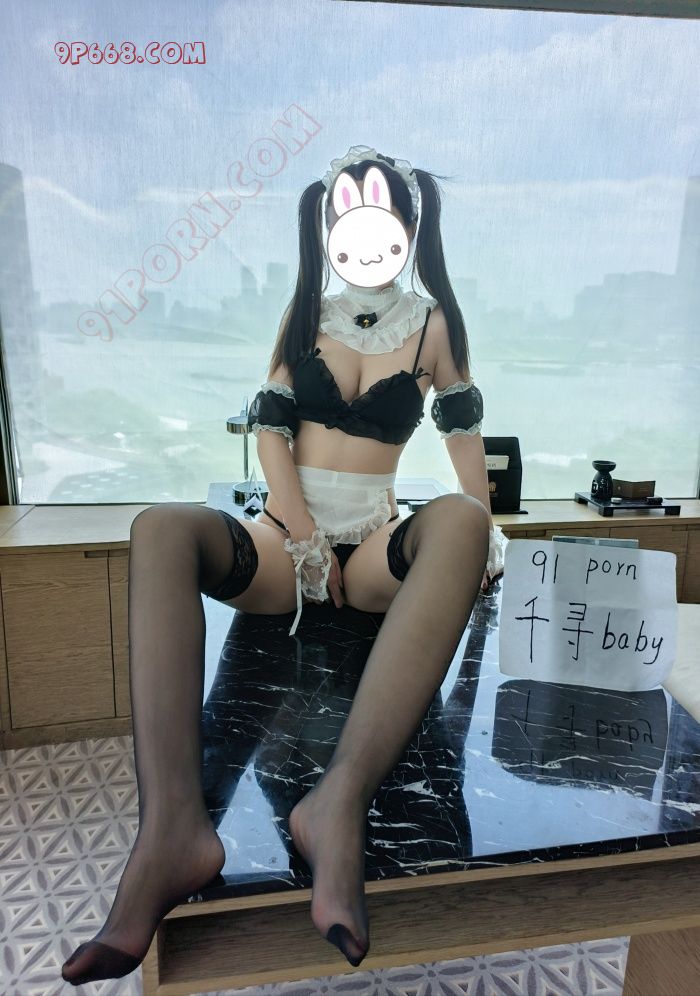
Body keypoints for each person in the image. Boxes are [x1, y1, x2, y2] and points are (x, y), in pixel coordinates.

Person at [61, 145, 507, 985]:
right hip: (282, 538)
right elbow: (270, 430)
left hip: (370, 546)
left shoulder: (432, 326)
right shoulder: (306, 314)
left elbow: (461, 432)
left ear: (409, 230)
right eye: (348, 225)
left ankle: (336, 802)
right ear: (329, 229)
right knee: (161, 528)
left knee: (460, 523)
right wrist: (299, 536)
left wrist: (484, 526)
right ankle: (173, 830)